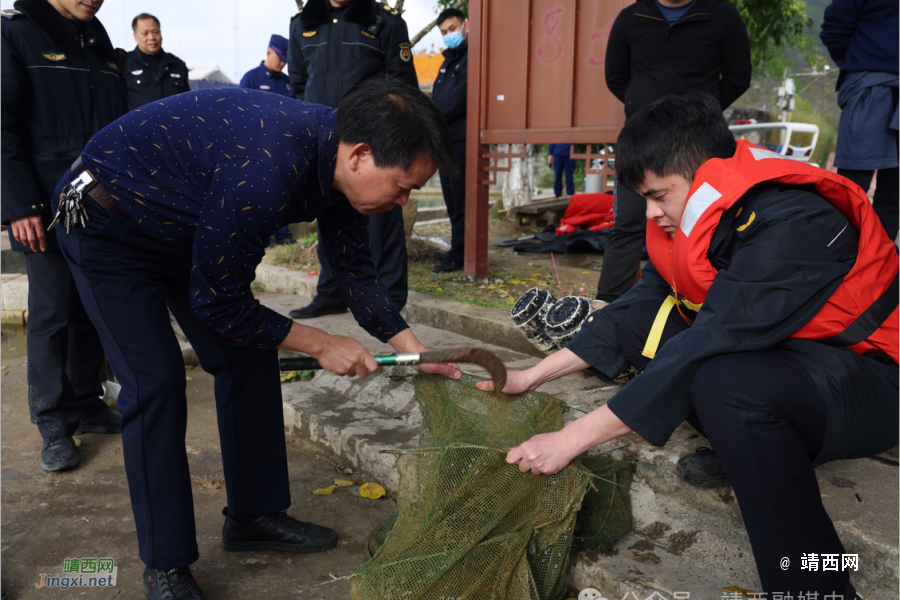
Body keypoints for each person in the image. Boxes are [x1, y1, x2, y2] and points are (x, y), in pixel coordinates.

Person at [51, 79, 460, 600]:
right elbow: (218, 302)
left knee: (248, 360)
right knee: (154, 384)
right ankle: (165, 565)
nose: (402, 201)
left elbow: (355, 272)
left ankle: (253, 515)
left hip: (184, 226)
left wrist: (412, 348)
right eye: (402, 186)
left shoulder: (336, 169)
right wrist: (317, 342)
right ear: (360, 155)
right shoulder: (268, 168)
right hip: (108, 224)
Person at [477, 94, 898, 599]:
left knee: (726, 384)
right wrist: (531, 376)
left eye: (659, 195)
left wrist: (568, 440)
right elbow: (641, 303)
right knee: (639, 322)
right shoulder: (701, 217)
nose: (651, 213)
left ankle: (816, 584)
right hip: (801, 367)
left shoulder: (793, 221)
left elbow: (709, 340)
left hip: (873, 379)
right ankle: (753, 448)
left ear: (705, 174)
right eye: (644, 199)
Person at [1, 0, 125, 472]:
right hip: (46, 204)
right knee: (53, 313)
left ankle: (86, 401)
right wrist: (20, 207)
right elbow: (2, 125)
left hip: (101, 201)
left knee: (92, 308)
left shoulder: (96, 37)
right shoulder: (15, 33)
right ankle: (54, 423)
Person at [595, 0, 751, 304]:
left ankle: (706, 300)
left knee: (709, 220)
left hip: (698, 144)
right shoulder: (631, 17)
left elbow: (737, 77)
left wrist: (695, 114)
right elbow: (616, 77)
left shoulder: (722, 14)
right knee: (629, 222)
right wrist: (650, 116)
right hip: (642, 140)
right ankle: (607, 303)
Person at [287, 0, 419, 318]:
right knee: (328, 213)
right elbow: (299, 83)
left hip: (374, 137)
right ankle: (331, 293)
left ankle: (389, 295)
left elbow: (403, 84)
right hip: (325, 136)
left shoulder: (384, 21)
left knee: (382, 213)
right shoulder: (302, 22)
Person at [820, 0, 899, 242]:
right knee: (852, 187)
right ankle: (840, 257)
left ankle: (880, 264)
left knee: (894, 191)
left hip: (868, 78)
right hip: (870, 84)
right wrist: (858, 62)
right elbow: (835, 29)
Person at [239, 34, 295, 245]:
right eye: (279, 58)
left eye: (285, 61)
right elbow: (241, 113)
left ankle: (283, 234)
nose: (282, 63)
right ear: (268, 52)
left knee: (282, 190)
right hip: (257, 144)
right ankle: (263, 235)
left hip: (281, 146)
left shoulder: (287, 82)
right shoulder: (251, 78)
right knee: (259, 191)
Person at [430, 8, 468, 274]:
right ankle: (457, 249)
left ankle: (462, 254)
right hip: (446, 140)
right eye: (444, 32)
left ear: (466, 25)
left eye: (452, 29)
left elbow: (459, 98)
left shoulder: (471, 58)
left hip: (462, 138)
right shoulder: (447, 61)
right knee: (451, 200)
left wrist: (435, 116)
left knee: (462, 199)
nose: (448, 35)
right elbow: (437, 96)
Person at [124, 13, 190, 111]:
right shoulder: (124, 64)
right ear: (135, 36)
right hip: (138, 125)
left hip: (174, 124)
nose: (151, 37)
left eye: (155, 32)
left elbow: (187, 102)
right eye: (145, 33)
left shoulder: (177, 65)